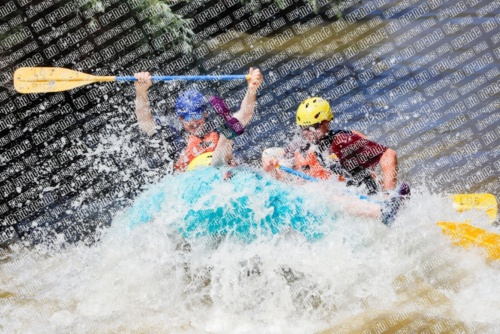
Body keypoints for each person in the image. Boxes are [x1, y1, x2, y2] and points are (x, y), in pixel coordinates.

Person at [263, 97, 400, 195]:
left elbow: (388, 154)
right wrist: (272, 169)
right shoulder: (299, 145)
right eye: (304, 128)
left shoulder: (343, 140)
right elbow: (287, 178)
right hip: (320, 198)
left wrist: (388, 194)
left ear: (326, 122)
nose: (308, 132)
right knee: (269, 155)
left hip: (355, 194)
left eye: (313, 126)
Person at [133, 68, 263, 171]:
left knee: (223, 151)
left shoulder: (216, 129)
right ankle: (227, 137)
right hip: (192, 181)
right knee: (216, 160)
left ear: (205, 113)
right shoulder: (174, 139)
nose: (193, 122)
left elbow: (244, 115)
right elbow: (146, 124)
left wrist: (252, 89)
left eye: (197, 115)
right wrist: (141, 92)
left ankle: (227, 136)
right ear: (180, 118)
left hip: (218, 169)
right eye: (188, 117)